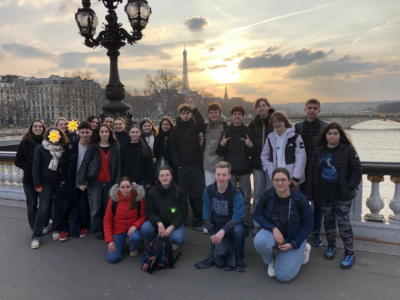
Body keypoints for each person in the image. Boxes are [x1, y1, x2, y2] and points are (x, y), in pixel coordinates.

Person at [306, 122, 362, 269]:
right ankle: (331, 246)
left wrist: (349, 186)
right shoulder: (319, 151)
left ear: (340, 135)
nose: (332, 136)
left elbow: (357, 170)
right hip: (324, 194)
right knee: (329, 222)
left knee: (343, 223)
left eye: (335, 133)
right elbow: (312, 172)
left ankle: (349, 252)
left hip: (342, 195)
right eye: (329, 133)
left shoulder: (348, 150)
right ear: (325, 135)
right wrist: (310, 192)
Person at [253, 168, 313, 282]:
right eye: (276, 180)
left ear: (289, 181)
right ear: (272, 181)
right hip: (274, 235)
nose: (279, 183)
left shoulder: (301, 199)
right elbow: (257, 214)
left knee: (283, 276)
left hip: (294, 238)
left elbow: (309, 225)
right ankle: (271, 260)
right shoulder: (267, 195)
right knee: (259, 240)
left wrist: (293, 244)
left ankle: (303, 252)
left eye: (283, 180)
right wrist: (273, 228)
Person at [216, 105, 255, 237]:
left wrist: (250, 146)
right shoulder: (226, 131)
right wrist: (222, 144)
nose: (237, 116)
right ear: (231, 116)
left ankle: (244, 223)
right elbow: (219, 152)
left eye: (239, 114)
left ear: (243, 116)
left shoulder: (248, 131)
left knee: (245, 199)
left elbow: (252, 153)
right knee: (229, 198)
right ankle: (231, 222)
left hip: (244, 170)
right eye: (235, 114)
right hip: (230, 171)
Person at [77, 124, 120, 240]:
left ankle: (106, 228)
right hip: (95, 182)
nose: (104, 134)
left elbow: (118, 167)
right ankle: (97, 229)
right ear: (98, 133)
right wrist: (81, 180)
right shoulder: (93, 147)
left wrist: (117, 184)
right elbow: (85, 163)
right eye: (102, 132)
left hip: (110, 182)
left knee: (107, 207)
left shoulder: (115, 148)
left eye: (107, 132)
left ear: (110, 134)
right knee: (95, 208)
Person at [295, 99, 328, 247]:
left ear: (319, 111)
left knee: (318, 203)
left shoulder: (325, 127)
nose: (312, 110)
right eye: (310, 108)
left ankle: (316, 230)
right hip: (301, 171)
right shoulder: (298, 127)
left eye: (315, 108)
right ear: (305, 109)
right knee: (302, 201)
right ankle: (304, 228)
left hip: (319, 172)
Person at [169, 98, 206, 229]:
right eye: (183, 113)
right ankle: (182, 218)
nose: (185, 115)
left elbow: (201, 123)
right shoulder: (175, 130)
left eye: (188, 113)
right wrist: (178, 164)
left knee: (198, 193)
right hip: (183, 166)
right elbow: (172, 148)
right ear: (179, 115)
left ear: (190, 115)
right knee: (182, 193)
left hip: (196, 164)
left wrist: (194, 108)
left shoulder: (194, 127)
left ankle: (198, 218)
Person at [203, 161, 246, 272]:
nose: (221, 178)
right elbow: (206, 212)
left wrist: (224, 230)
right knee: (218, 258)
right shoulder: (208, 190)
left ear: (229, 176)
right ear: (215, 175)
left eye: (224, 175)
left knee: (239, 231)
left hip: (232, 225)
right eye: (218, 174)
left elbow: (238, 216)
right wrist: (211, 232)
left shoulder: (236, 193)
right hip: (217, 225)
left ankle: (240, 257)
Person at [31, 127, 69, 249]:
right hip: (46, 183)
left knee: (58, 207)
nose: (54, 137)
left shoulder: (63, 149)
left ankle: (55, 229)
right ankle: (36, 236)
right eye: (52, 134)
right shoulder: (40, 149)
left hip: (58, 182)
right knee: (43, 209)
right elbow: (35, 168)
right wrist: (37, 184)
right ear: (48, 136)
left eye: (57, 134)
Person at [58, 121, 92, 241]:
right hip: (71, 182)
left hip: (86, 183)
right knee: (65, 208)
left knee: (83, 207)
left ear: (91, 132)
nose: (84, 135)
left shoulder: (93, 146)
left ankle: (83, 227)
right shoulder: (70, 146)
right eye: (82, 132)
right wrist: (62, 180)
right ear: (78, 132)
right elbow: (63, 165)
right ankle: (63, 229)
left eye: (87, 132)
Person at [141, 167, 188, 249]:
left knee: (178, 239)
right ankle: (156, 243)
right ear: (158, 178)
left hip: (174, 223)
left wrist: (172, 226)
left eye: (167, 175)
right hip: (159, 223)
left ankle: (171, 241)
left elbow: (183, 212)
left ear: (171, 176)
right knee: (145, 228)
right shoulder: (152, 192)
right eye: (161, 175)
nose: (164, 178)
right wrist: (158, 222)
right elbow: (149, 211)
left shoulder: (179, 191)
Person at [248, 98, 275, 235]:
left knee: (272, 193)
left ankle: (271, 223)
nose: (261, 108)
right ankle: (257, 223)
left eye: (264, 106)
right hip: (258, 164)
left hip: (272, 164)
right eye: (259, 106)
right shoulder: (253, 124)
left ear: (268, 107)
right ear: (256, 109)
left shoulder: (275, 122)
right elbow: (250, 144)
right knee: (258, 194)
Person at [104, 177, 146, 263]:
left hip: (132, 230)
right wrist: (109, 240)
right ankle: (121, 242)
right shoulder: (113, 201)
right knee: (112, 259)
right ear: (118, 188)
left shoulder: (138, 199)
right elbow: (107, 221)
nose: (125, 190)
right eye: (123, 187)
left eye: (128, 187)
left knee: (136, 237)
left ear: (131, 187)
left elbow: (144, 216)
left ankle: (133, 247)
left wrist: (135, 225)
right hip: (118, 230)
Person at [15, 119, 47, 231]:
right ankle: (35, 228)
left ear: (43, 129)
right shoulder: (24, 143)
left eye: (40, 126)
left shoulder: (47, 141)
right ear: (31, 128)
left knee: (44, 205)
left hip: (44, 178)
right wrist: (32, 167)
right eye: (35, 126)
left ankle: (43, 224)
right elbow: (17, 161)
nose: (38, 128)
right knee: (32, 205)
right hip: (30, 179)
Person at [261, 111, 306, 188]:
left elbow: (301, 159)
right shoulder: (270, 137)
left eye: (280, 121)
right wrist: (269, 169)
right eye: (274, 122)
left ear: (285, 122)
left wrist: (296, 178)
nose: (277, 124)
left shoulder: (296, 137)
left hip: (291, 178)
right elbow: (264, 155)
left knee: (293, 199)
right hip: (274, 177)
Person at [120, 124, 153, 195]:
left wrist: (149, 180)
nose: (134, 134)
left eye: (136, 132)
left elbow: (149, 165)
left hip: (142, 179)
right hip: (128, 179)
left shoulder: (146, 148)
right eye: (132, 132)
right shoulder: (123, 148)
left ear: (140, 133)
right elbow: (121, 165)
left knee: (142, 202)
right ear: (129, 134)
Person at [203, 102, 227, 187]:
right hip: (207, 161)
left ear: (220, 113)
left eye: (216, 112)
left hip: (221, 161)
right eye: (211, 113)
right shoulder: (205, 126)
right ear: (208, 114)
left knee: (221, 186)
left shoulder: (225, 125)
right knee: (209, 187)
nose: (213, 115)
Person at [153, 116, 175, 181]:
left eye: (167, 124)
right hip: (160, 161)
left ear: (170, 125)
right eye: (163, 124)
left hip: (172, 161)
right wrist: (167, 150)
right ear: (161, 125)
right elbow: (156, 150)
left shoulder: (174, 136)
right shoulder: (158, 136)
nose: (165, 126)